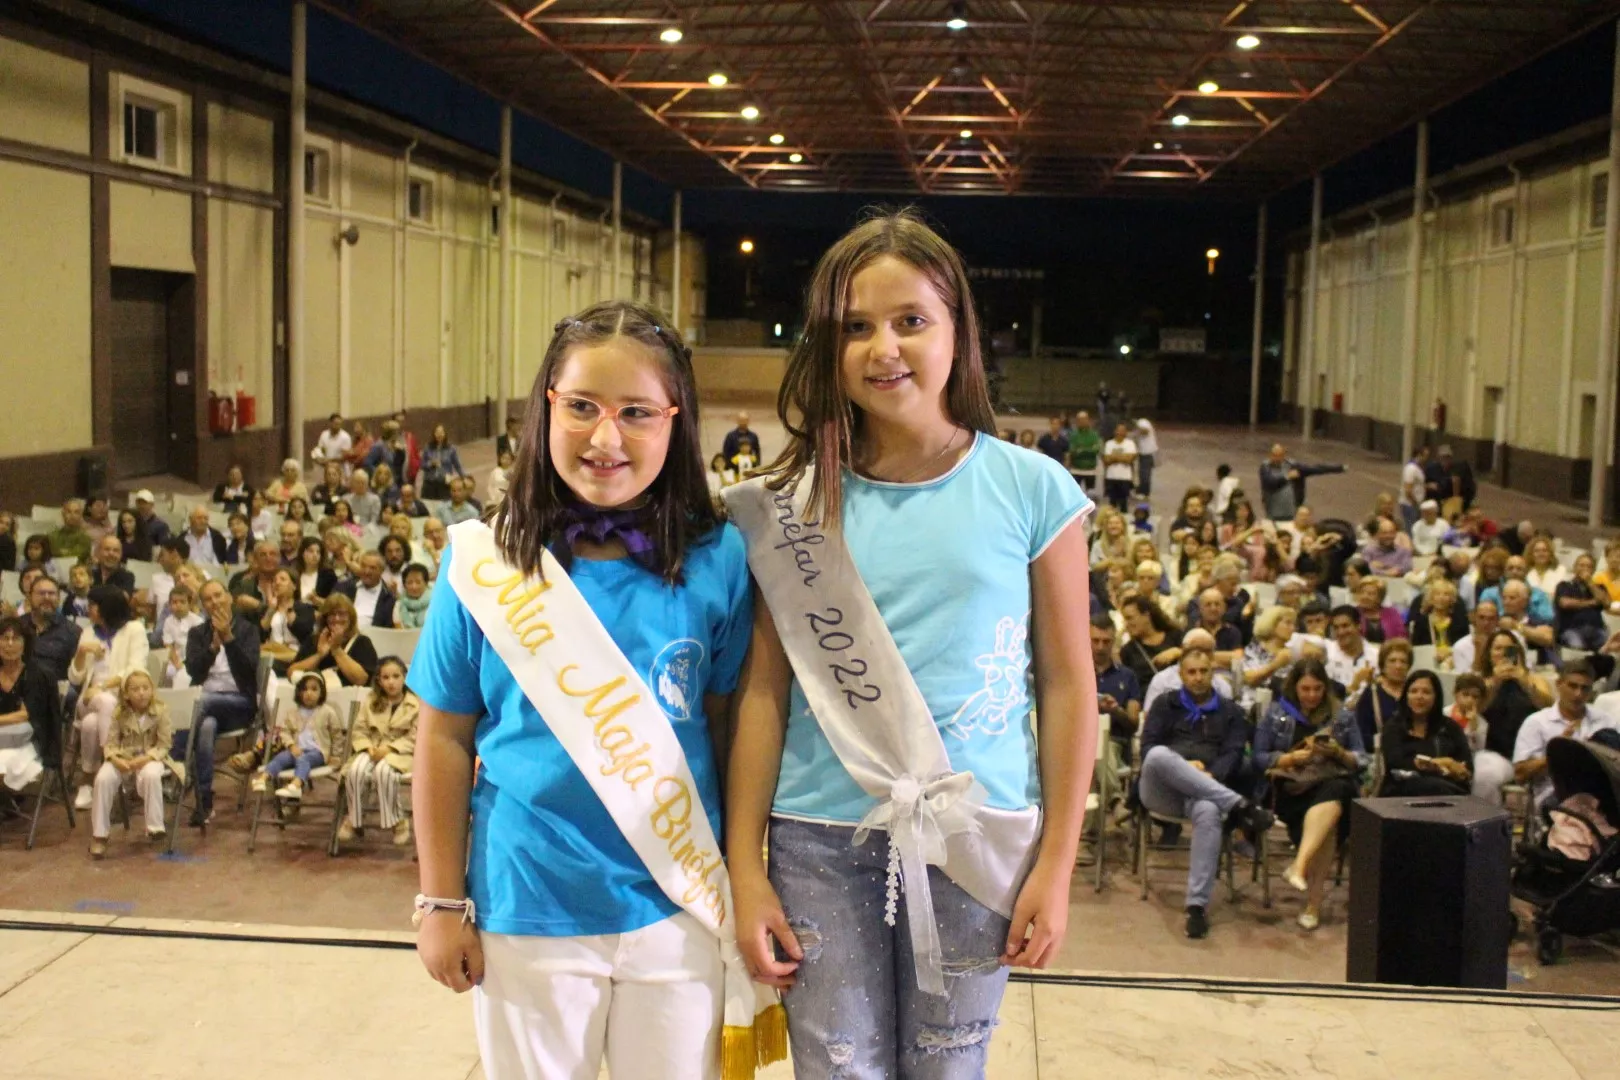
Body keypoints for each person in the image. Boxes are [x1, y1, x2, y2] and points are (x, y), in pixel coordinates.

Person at [722, 214, 1095, 1075]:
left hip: (975, 837)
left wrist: (1058, 865)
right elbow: (764, 693)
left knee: (948, 1065)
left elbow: (1070, 687)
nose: (882, 347)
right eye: (855, 327)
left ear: (957, 330)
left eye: (909, 321)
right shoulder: (793, 502)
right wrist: (748, 868)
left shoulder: (1031, 489)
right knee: (835, 1066)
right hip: (819, 840)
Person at [410, 301, 770, 1080]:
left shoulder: (719, 559)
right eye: (582, 408)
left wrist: (747, 875)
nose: (606, 438)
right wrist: (440, 903)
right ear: (547, 408)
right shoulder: (483, 563)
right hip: (527, 903)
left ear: (676, 422)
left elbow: (731, 727)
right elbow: (442, 738)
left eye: (636, 412)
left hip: (679, 906)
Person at [1138, 649, 1275, 939]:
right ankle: (1239, 805)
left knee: (1209, 811)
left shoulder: (1231, 712)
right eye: (1192, 672)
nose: (1198, 678)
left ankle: (1196, 907)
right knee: (1159, 754)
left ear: (1213, 673)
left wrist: (1209, 774)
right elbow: (1147, 748)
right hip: (1162, 789)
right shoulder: (1165, 704)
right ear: (1181, 674)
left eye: (1204, 671)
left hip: (1206, 789)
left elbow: (1235, 752)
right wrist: (1186, 766)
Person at [1252, 659, 1367, 931]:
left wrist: (1339, 753)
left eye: (1317, 689)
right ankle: (1311, 903)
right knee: (1330, 816)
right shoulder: (1277, 714)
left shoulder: (1342, 716)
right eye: (1306, 689)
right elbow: (1257, 758)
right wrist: (1288, 758)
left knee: (1336, 793)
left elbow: (1364, 760)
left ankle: (1300, 869)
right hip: (1293, 790)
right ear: (1295, 687)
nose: (1312, 695)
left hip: (1333, 784)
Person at [178, 579, 261, 825]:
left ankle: (175, 761)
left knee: (199, 701)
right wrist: (213, 648)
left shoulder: (248, 630)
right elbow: (194, 671)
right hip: (207, 708)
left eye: (218, 596)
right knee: (204, 727)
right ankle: (204, 801)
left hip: (239, 703)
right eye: (208, 599)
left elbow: (248, 672)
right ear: (202, 605)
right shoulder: (197, 634)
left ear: (230, 598)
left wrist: (229, 639)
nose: (214, 602)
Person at [87, 670, 175, 855]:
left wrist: (146, 758)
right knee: (103, 778)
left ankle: (155, 828)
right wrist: (115, 759)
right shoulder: (119, 713)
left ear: (152, 690)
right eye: (135, 689)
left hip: (151, 757)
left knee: (151, 774)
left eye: (145, 688)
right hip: (124, 757)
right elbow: (110, 744)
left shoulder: (161, 710)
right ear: (126, 693)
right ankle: (99, 834)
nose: (141, 693)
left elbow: (164, 745)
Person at [337, 655, 419, 847]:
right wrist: (367, 747)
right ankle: (354, 818)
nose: (391, 682)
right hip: (371, 747)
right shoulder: (371, 700)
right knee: (355, 770)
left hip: (401, 752)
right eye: (386, 677)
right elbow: (359, 729)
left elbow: (416, 736)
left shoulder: (415, 704)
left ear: (405, 677)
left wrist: (390, 748)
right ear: (379, 680)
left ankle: (397, 820)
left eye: (396, 676)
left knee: (384, 771)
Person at [1514, 660, 1618, 808]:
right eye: (1572, 686)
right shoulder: (1537, 722)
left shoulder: (1605, 721)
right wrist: (1558, 752)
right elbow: (1520, 775)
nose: (1578, 694)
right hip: (1554, 794)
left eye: (1585, 688)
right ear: (1558, 684)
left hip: (1601, 794)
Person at [1379, 671, 1473, 797]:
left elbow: (1467, 767)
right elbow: (1395, 762)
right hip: (1402, 790)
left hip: (1449, 789)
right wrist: (1444, 763)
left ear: (1436, 697)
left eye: (1426, 692)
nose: (1419, 696)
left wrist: (1458, 770)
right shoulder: (1394, 726)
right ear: (1405, 695)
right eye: (1413, 691)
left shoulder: (1450, 727)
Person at [255, 671, 343, 802]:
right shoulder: (292, 712)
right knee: (281, 758)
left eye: (314, 689)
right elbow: (284, 732)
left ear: (321, 692)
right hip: (296, 749)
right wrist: (291, 745)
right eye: (305, 689)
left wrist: (336, 756)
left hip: (317, 752)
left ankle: (296, 784)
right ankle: (263, 779)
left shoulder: (327, 712)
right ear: (299, 693)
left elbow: (336, 735)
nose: (309, 693)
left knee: (304, 760)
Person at [0, 615, 60, 800]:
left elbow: (26, 715)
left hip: (31, 740)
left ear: (25, 644)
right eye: (4, 638)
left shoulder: (37, 674)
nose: (9, 644)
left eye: (15, 639)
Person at [1092, 616, 1142, 811]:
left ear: (1114, 642)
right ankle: (1116, 802)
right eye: (1095, 640)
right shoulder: (1076, 672)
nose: (1100, 646)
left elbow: (1133, 723)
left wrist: (1116, 710)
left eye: (1106, 641)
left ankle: (1113, 800)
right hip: (1075, 741)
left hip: (1116, 743)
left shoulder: (1127, 676)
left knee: (1101, 745)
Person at [287, 592, 378, 691]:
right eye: (332, 614)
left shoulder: (362, 642)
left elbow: (361, 680)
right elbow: (292, 673)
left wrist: (336, 649)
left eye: (342, 614)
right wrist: (319, 655)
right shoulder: (314, 640)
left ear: (351, 618)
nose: (337, 618)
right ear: (325, 618)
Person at [1353, 638, 1411, 749]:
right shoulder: (1371, 693)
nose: (1398, 666)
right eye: (1392, 661)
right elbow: (1362, 735)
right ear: (1382, 665)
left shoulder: (1415, 692)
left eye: (1403, 661)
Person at [1240, 605, 1300, 710]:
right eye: (1288, 623)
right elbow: (1250, 679)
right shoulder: (1255, 648)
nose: (1292, 628)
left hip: (1283, 708)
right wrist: (1276, 664)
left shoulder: (1292, 654)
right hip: (1253, 705)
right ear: (1272, 623)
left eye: (1294, 624)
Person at [22, 576, 79, 684]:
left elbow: (76, 676)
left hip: (54, 693)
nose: (47, 597)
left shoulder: (73, 632)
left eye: (51, 593)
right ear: (29, 597)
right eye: (41, 593)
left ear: (58, 598)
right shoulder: (18, 626)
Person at [1324, 604, 1378, 704]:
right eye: (1336, 628)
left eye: (1345, 626)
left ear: (1359, 625)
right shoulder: (1326, 652)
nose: (1341, 632)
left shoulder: (1376, 656)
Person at [335, 552, 397, 628]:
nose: (366, 571)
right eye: (363, 566)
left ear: (381, 571)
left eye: (372, 568)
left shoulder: (388, 597)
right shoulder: (343, 587)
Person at [159, 584, 204, 687]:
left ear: (190, 604)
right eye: (174, 602)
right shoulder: (168, 621)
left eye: (182, 602)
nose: (178, 605)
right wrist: (177, 664)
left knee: (183, 676)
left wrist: (185, 666)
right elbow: (168, 645)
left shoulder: (198, 621)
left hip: (193, 662)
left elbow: (201, 647)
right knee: (163, 674)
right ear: (169, 605)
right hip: (175, 660)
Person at [417, 424, 466, 501]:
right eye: (437, 432)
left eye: (441, 432)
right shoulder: (428, 448)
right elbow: (422, 465)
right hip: (429, 483)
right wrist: (430, 463)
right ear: (434, 434)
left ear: (445, 434)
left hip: (444, 483)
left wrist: (464, 478)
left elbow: (457, 465)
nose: (439, 435)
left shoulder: (451, 449)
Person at [1101, 422, 1137, 512]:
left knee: (1124, 502)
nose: (1120, 432)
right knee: (1111, 503)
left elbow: (1130, 459)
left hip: (1125, 477)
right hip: (1111, 477)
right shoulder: (1109, 443)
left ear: (1126, 432)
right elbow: (1106, 460)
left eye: (1123, 430)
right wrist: (1123, 457)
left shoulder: (1130, 444)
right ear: (1115, 431)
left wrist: (1114, 456)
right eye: (1118, 430)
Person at [292, 536, 337, 604]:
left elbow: (334, 603)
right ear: (302, 553)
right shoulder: (294, 573)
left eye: (318, 552)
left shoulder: (328, 575)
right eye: (311, 551)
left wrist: (317, 600)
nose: (315, 555)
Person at [48, 499, 93, 564]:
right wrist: (65, 552)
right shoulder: (52, 535)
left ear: (81, 515)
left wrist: (60, 552)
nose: (72, 515)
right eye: (69, 512)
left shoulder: (85, 538)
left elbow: (74, 557)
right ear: (63, 514)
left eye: (76, 512)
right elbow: (50, 555)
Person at [1067, 409, 1102, 491]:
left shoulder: (1094, 435)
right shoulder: (1073, 435)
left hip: (1090, 470)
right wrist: (1089, 449)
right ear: (1077, 421)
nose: (1082, 422)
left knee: (1090, 495)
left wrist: (1081, 449)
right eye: (1080, 420)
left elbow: (1096, 450)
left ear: (1088, 420)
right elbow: (1073, 451)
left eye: (1084, 419)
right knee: (1075, 494)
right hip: (1076, 470)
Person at [1398, 445, 1429, 531]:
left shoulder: (1418, 468)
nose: (1426, 459)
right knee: (1411, 530)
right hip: (1410, 505)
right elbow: (1408, 489)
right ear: (1419, 455)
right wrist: (1416, 503)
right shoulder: (1411, 468)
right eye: (1425, 456)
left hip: (1414, 504)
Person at [394, 564, 432, 629]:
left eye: (418, 582)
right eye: (409, 582)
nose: (414, 587)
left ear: (426, 583)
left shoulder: (437, 602)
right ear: (404, 585)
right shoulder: (399, 605)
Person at [1132, 418, 1157, 497]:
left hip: (1147, 452)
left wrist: (1138, 429)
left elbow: (1146, 431)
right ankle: (1141, 489)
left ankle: (1145, 492)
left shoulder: (1142, 422)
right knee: (1141, 472)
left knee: (1145, 473)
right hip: (1143, 452)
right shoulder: (1139, 424)